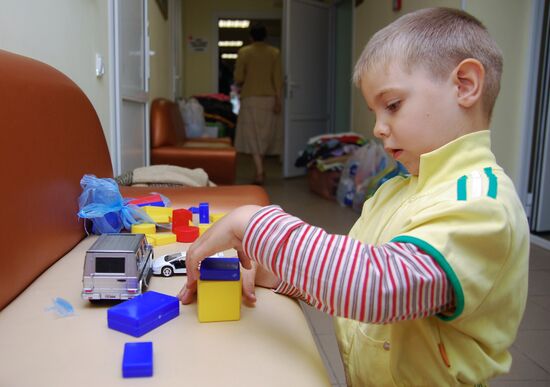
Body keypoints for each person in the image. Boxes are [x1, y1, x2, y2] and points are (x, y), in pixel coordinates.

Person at [179, 7, 529, 386]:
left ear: (464, 84)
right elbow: (344, 275)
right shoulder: (398, 189)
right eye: (374, 111)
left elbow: (375, 287)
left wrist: (252, 223)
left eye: (392, 105)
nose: (378, 128)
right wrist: (271, 272)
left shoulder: (481, 204)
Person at [233, 22, 282, 185]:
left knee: (252, 135)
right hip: (269, 99)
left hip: (250, 98)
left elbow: (238, 78)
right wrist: (278, 100)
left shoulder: (244, 52)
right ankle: (260, 169)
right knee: (264, 135)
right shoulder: (274, 53)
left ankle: (259, 171)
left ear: (250, 36)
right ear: (265, 36)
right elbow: (278, 79)